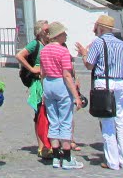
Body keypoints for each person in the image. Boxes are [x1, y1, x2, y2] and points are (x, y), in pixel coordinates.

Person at [76, 14, 123, 170]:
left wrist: (83, 53)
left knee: (107, 122)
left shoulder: (98, 43)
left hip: (105, 83)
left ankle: (112, 161)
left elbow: (89, 65)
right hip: (121, 83)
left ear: (99, 28)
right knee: (121, 121)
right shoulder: (122, 44)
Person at [40, 22, 84, 170]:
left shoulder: (44, 50)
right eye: (64, 33)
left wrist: (44, 90)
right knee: (65, 120)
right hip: (60, 84)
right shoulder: (63, 51)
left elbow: (42, 72)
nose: (66, 35)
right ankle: (67, 157)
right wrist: (76, 95)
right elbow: (66, 74)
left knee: (53, 121)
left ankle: (56, 156)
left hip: (48, 83)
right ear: (58, 35)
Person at [15, 19, 51, 159]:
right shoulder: (35, 44)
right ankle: (41, 146)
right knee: (39, 115)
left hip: (49, 81)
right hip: (38, 83)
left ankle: (49, 143)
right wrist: (31, 68)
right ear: (40, 32)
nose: (49, 33)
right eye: (46, 30)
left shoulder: (50, 44)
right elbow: (19, 55)